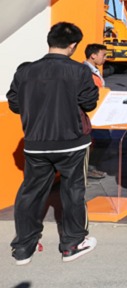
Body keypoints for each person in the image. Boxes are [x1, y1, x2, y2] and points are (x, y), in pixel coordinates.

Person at [6, 22, 99, 264]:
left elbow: (15, 103)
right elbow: (89, 103)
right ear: (73, 45)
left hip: (36, 142)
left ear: (50, 41)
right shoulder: (79, 71)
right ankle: (72, 243)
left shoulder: (24, 71)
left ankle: (23, 249)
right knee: (73, 191)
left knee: (30, 193)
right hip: (72, 143)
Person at [83, 44, 109, 180]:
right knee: (101, 139)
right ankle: (90, 167)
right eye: (103, 55)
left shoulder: (93, 70)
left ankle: (91, 167)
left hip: (96, 112)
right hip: (92, 113)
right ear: (93, 55)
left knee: (101, 140)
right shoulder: (85, 72)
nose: (105, 58)